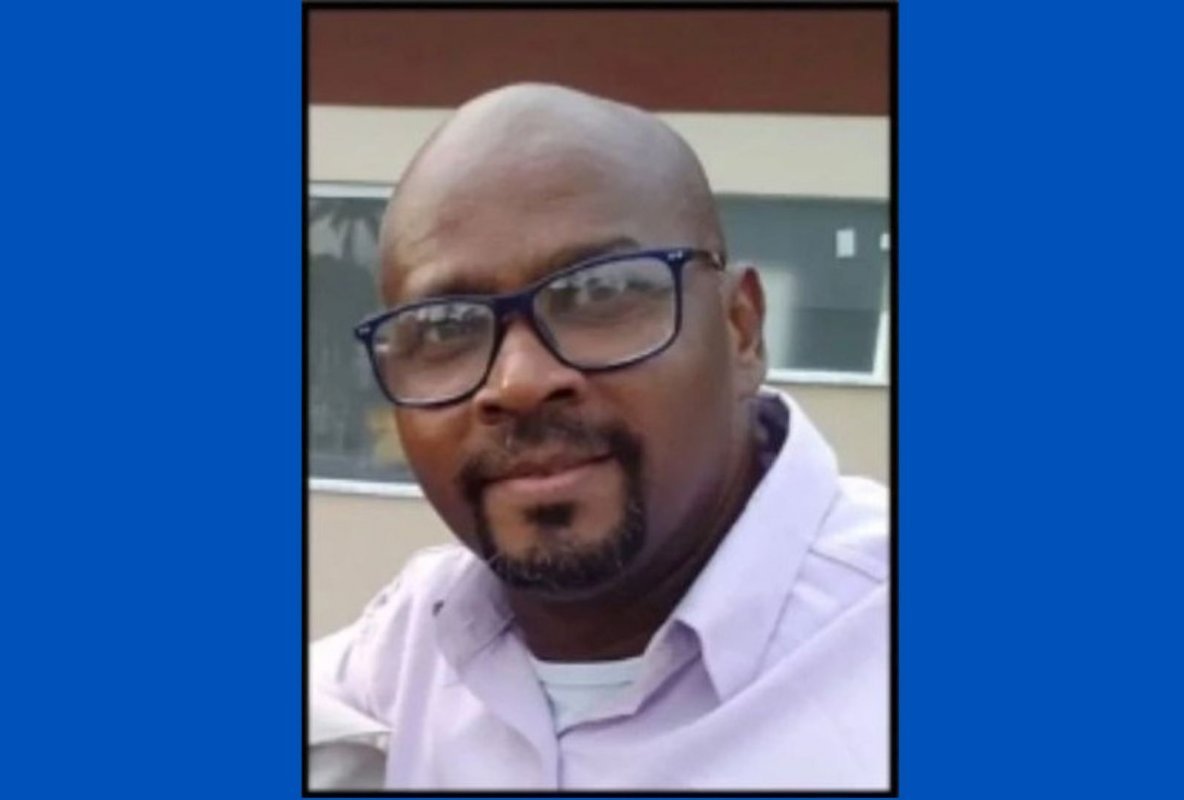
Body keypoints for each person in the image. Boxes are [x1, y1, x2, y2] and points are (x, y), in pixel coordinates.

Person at [309, 83, 890, 791]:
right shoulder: (402, 654)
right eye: (444, 327)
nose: (519, 383)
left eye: (600, 293)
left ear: (741, 330)